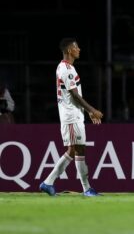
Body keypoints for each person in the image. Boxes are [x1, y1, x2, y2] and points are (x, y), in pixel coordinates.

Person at [39, 38, 104, 197]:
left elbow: (74, 95)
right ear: (69, 50)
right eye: (76, 47)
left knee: (75, 150)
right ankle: (86, 189)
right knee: (77, 149)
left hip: (74, 115)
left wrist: (87, 112)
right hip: (71, 116)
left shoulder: (67, 68)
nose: (79, 49)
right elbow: (75, 95)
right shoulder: (66, 69)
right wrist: (92, 109)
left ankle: (48, 183)